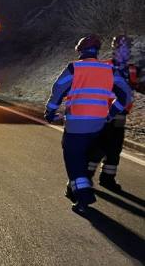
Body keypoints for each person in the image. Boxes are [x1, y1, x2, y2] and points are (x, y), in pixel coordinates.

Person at [44, 35, 131, 214]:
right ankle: (77, 189)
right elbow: (125, 96)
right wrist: (111, 113)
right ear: (97, 51)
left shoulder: (74, 68)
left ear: (80, 50)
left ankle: (84, 198)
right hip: (99, 126)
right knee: (87, 159)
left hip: (76, 126)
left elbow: (58, 90)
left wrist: (50, 112)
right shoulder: (109, 70)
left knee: (74, 162)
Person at [88, 35, 140, 191]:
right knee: (98, 147)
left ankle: (107, 179)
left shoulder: (131, 69)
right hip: (102, 114)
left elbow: (138, 86)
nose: (125, 51)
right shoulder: (105, 67)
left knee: (115, 148)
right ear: (114, 49)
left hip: (120, 115)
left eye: (127, 48)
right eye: (121, 48)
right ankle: (85, 177)